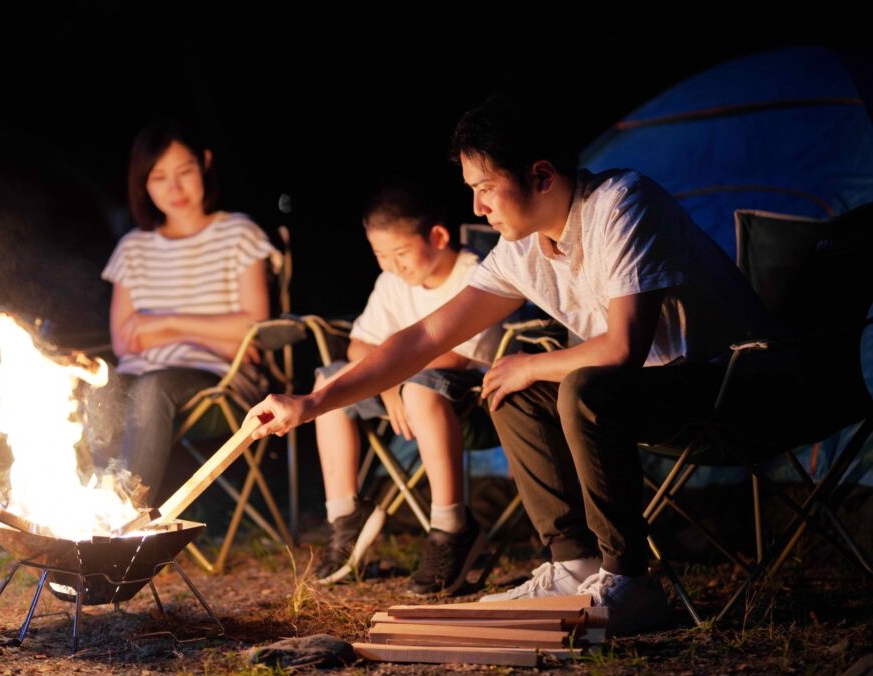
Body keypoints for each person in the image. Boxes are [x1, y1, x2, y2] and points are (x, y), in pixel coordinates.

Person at [247, 94, 796, 635]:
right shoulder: (525, 250)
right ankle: (572, 562)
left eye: (485, 189)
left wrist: (534, 365)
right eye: (472, 191)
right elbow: (425, 335)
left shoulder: (621, 203)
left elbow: (623, 346)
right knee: (508, 385)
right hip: (661, 390)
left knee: (572, 382)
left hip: (740, 385)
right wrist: (314, 401)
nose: (477, 208)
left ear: (540, 176)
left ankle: (630, 578)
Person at [312, 180, 501, 595]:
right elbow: (360, 343)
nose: (391, 265)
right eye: (381, 255)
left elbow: (457, 356)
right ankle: (345, 516)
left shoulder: (475, 274)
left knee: (418, 386)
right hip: (406, 394)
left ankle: (452, 526)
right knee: (329, 380)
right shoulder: (394, 282)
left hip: (477, 403)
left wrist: (394, 380)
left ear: (437, 236)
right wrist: (384, 386)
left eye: (399, 253)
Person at [100, 120, 274, 504]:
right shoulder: (133, 249)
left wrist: (164, 323)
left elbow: (254, 330)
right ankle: (74, 520)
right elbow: (125, 342)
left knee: (153, 386)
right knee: (86, 389)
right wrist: (216, 330)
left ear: (205, 163)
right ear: (143, 182)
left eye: (184, 172)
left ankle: (125, 522)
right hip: (138, 381)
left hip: (219, 385)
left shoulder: (239, 234)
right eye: (159, 177)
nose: (173, 188)